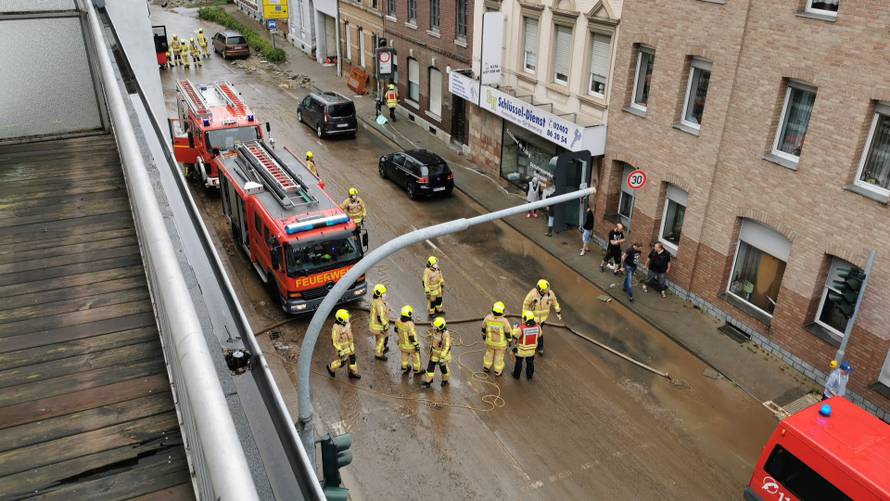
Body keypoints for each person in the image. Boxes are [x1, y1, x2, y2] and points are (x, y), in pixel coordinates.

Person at [522, 279, 562, 356]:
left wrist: (558, 311)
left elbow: (555, 303)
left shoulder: (550, 294)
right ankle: (535, 346)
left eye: (548, 289)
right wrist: (525, 316)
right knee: (534, 331)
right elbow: (526, 304)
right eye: (545, 290)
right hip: (533, 318)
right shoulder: (532, 294)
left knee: (538, 331)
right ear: (540, 290)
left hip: (543, 318)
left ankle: (538, 347)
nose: (547, 291)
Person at [481, 301, 513, 376]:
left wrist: (484, 336)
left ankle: (486, 367)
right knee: (499, 356)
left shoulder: (488, 318)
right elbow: (508, 332)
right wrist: (510, 341)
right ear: (503, 311)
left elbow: (483, 328)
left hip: (490, 342)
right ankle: (497, 371)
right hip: (500, 344)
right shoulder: (504, 321)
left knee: (489, 353)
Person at [326, 309, 361, 379]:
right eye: (346, 319)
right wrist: (340, 351)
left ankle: (353, 373)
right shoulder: (336, 328)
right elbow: (335, 342)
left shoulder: (347, 324)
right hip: (343, 349)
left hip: (350, 346)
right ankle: (331, 367)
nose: (348, 319)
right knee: (342, 362)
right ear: (341, 320)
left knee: (353, 360)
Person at [422, 317, 452, 388]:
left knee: (443, 369)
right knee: (430, 369)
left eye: (435, 326)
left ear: (440, 327)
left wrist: (442, 357)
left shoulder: (445, 334)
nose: (433, 327)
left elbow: (447, 347)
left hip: (442, 355)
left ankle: (445, 380)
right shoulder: (436, 331)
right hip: (434, 353)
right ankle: (428, 381)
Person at [511, 311, 540, 380]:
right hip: (532, 350)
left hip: (521, 350)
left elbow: (515, 336)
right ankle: (529, 375)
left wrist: (514, 329)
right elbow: (540, 335)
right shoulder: (538, 327)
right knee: (530, 362)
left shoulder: (521, 328)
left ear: (525, 319)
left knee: (519, 362)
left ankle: (516, 375)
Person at [395, 305, 422, 375]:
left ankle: (404, 367)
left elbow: (396, 329)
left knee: (404, 356)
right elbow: (411, 337)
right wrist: (416, 345)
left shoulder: (397, 321)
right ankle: (417, 370)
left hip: (402, 345)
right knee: (415, 357)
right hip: (411, 346)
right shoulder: (410, 324)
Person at [369, 284, 391, 362]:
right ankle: (378, 354)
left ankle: (382, 348)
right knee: (381, 339)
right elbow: (380, 317)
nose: (385, 294)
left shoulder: (375, 300)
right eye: (384, 293)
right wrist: (385, 325)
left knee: (380, 338)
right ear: (380, 294)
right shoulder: (379, 303)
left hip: (374, 325)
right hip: (379, 326)